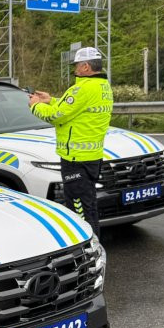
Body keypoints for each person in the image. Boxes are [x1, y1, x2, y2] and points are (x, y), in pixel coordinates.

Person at [29, 46, 113, 236]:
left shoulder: (81, 89)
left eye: (76, 65)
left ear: (85, 67)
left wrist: (35, 106)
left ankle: (88, 250)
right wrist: (50, 100)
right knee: (88, 205)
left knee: (79, 212)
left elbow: (57, 116)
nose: (74, 69)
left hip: (76, 160)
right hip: (92, 157)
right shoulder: (102, 86)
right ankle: (93, 245)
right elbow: (74, 107)